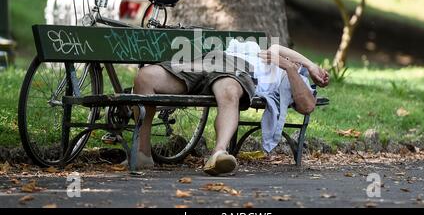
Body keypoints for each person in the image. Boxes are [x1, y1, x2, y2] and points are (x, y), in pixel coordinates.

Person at [131, 40, 329, 175]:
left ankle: (219, 153)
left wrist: (290, 67)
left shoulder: (292, 76)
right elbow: (277, 47)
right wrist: (310, 65)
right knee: (145, 77)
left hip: (239, 71)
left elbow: (307, 105)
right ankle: (142, 154)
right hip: (214, 59)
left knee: (229, 92)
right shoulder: (278, 57)